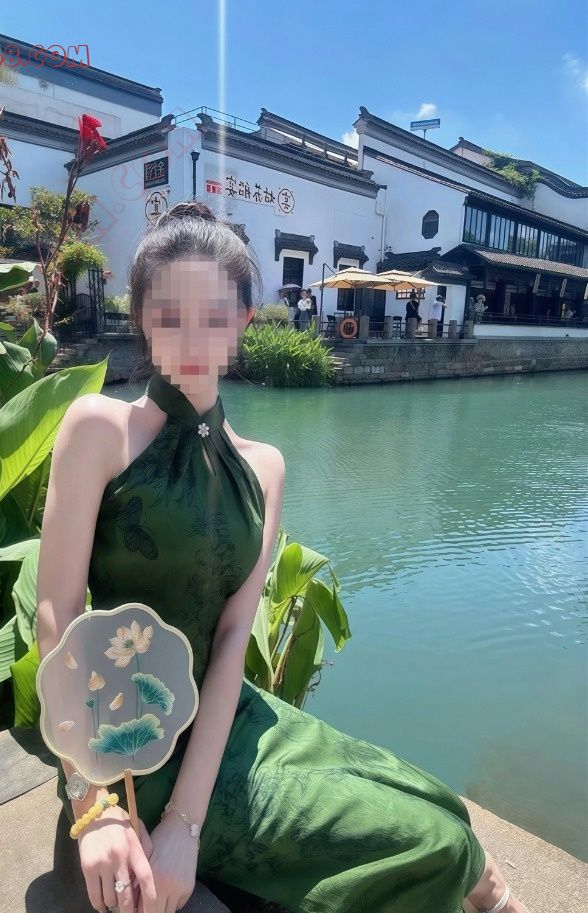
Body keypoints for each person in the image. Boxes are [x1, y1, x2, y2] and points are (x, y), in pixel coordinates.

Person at [36, 200, 528, 913]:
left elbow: (233, 636)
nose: (192, 337)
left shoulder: (264, 467)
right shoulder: (98, 429)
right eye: (170, 315)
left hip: (229, 717)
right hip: (128, 741)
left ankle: (498, 896)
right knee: (438, 843)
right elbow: (55, 614)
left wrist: (186, 827)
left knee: (437, 804)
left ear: (243, 318)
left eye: (214, 315)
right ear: (141, 316)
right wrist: (93, 802)